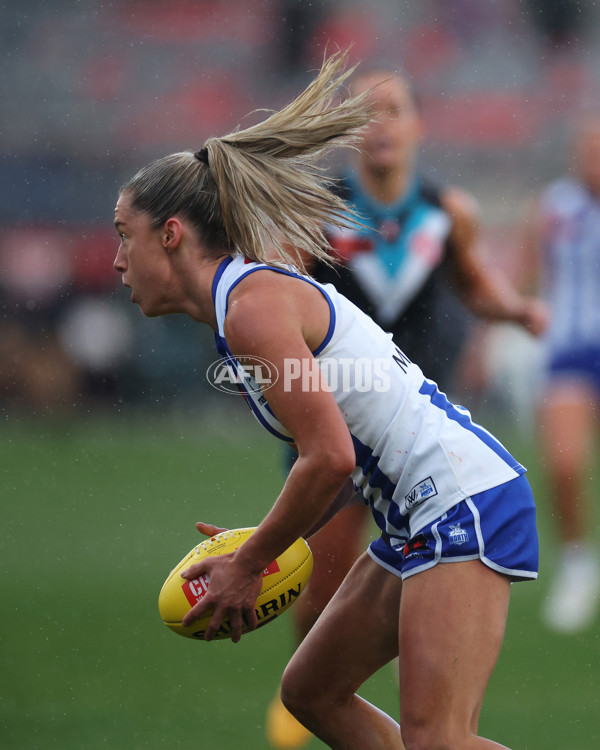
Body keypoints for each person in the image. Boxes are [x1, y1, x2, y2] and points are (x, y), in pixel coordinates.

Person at [114, 51, 540, 749]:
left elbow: (330, 457)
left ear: (172, 235)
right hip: (420, 511)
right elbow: (330, 453)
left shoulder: (250, 309)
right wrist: (262, 538)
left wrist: (252, 561)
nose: (116, 262)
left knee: (439, 740)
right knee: (311, 692)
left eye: (123, 237)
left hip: (462, 500)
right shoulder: (243, 302)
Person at [266, 66, 549, 748]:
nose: (380, 124)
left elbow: (475, 285)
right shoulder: (322, 207)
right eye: (366, 113)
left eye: (393, 110)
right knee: (324, 574)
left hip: (417, 427)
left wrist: (514, 311)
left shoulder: (447, 211)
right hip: (335, 420)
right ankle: (325, 685)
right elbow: (288, 297)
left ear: (419, 126)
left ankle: (336, 689)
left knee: (439, 731)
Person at [522, 114, 600, 633]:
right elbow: (524, 276)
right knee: (565, 464)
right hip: (571, 349)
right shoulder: (554, 209)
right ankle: (577, 564)